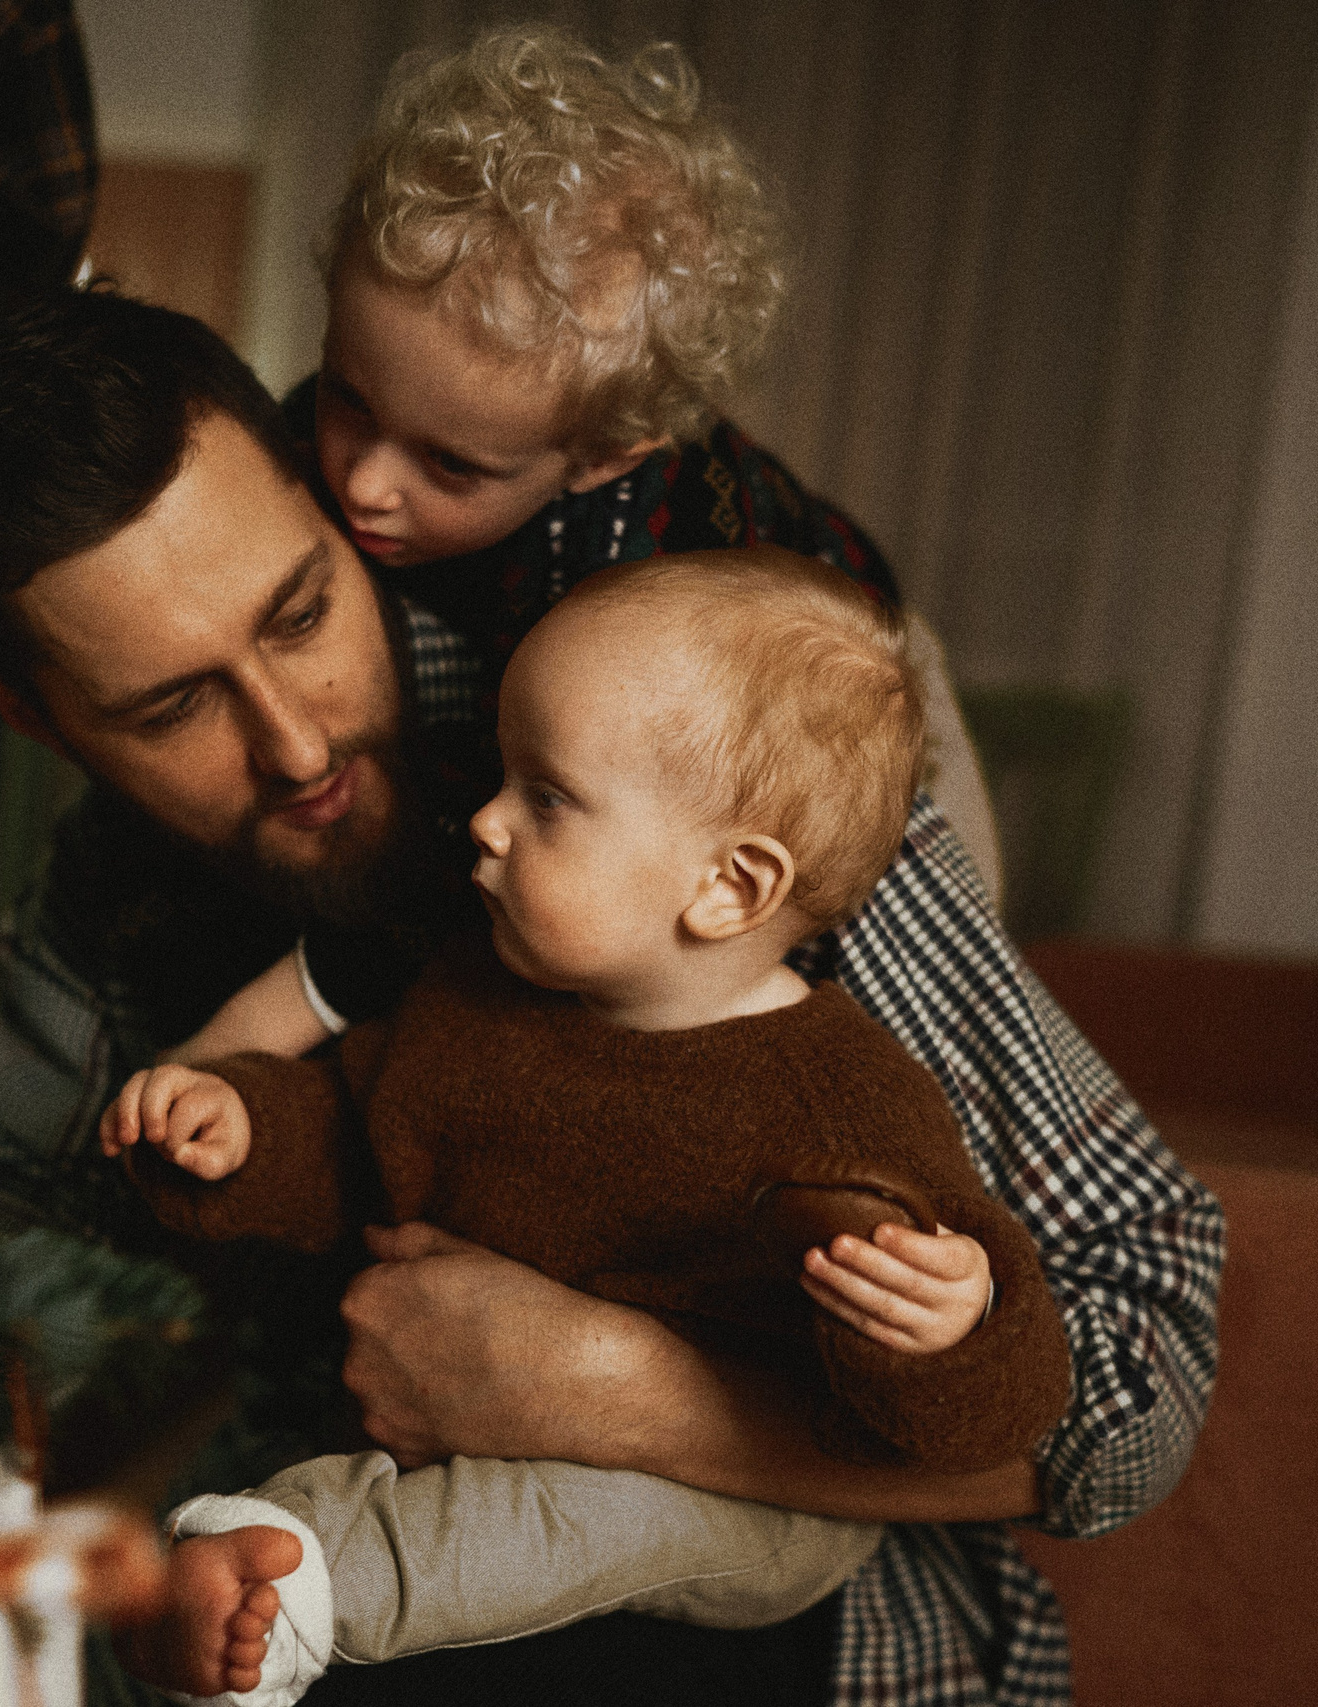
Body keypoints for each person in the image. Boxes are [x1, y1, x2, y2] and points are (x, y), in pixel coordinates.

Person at [0, 286, 1224, 1707]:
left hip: (797, 1643)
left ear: (345, 516)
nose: (292, 741)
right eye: (170, 710)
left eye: (301, 613)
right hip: (314, 1599)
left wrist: (630, 1392)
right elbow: (10, 1374)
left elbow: (1147, 1382)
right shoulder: (108, 899)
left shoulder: (697, 758)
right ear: (35, 717)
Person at [100, 553, 1071, 1702]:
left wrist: (952, 1321)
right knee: (412, 1494)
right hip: (456, 1446)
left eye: (546, 797)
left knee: (586, 1511)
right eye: (504, 779)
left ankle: (313, 1586)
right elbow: (357, 1139)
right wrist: (238, 1132)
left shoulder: (838, 1097)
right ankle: (251, 1564)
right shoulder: (475, 1001)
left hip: (749, 1508)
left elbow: (1007, 1401)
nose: (487, 821)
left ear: (729, 887)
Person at [167, 25, 1003, 1069]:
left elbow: (488, 824)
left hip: (849, 669)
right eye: (348, 396)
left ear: (600, 456)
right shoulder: (344, 445)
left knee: (866, 922)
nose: (366, 480)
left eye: (451, 467)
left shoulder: (636, 579)